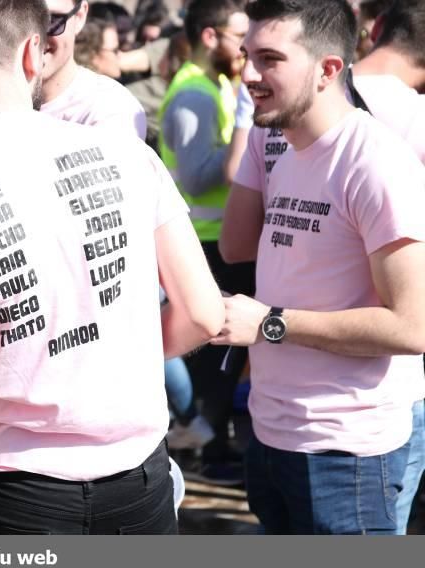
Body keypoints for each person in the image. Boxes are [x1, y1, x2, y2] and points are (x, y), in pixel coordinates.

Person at [0, 0, 224, 535]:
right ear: (32, 53)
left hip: (14, 492)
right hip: (139, 481)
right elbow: (202, 312)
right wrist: (109, 359)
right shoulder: (128, 157)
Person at [214, 0, 425, 535]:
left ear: (329, 70)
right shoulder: (280, 142)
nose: (249, 74)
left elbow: (411, 326)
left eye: (269, 59)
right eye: (247, 55)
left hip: (345, 455)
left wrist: (269, 323)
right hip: (271, 432)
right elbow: (240, 247)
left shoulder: (375, 163)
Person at [157, 0, 251, 486]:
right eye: (240, 35)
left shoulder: (213, 82)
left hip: (216, 240)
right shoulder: (194, 93)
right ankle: (208, 449)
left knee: (222, 356)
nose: (248, 44)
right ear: (211, 36)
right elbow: (195, 180)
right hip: (204, 242)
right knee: (216, 355)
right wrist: (243, 136)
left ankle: (210, 444)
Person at [0, 0, 148, 158]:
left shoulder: (109, 109)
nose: (34, 36)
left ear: (80, 17)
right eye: (19, 18)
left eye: (52, 20)